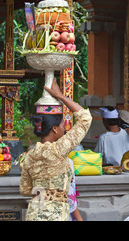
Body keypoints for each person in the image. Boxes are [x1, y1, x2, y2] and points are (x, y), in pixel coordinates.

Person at [19, 78, 92, 221]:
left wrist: (43, 190)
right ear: (54, 128)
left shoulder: (29, 156)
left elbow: (25, 190)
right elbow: (85, 118)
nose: (64, 129)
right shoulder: (58, 149)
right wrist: (60, 96)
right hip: (55, 215)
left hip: (34, 212)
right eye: (61, 125)